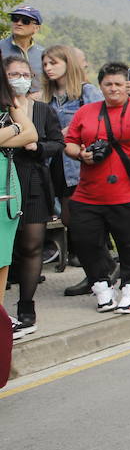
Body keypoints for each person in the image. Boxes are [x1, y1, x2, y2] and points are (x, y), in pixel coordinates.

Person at [62, 63, 130, 315]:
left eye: (119, 83)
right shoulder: (87, 111)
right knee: (86, 241)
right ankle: (101, 286)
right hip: (89, 192)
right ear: (101, 86)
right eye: (108, 84)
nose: (114, 88)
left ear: (128, 85)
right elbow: (70, 142)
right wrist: (80, 154)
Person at [4, 56, 63, 340]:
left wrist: (36, 146)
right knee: (6, 249)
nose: (19, 78)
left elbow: (57, 143)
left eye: (24, 73)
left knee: (31, 245)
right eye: (13, 73)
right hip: (4, 181)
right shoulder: (3, 108)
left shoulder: (42, 110)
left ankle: (27, 307)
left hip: (33, 180)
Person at [41, 45, 103, 291]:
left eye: (53, 63)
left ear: (68, 63)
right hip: (54, 166)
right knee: (71, 220)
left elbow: (101, 125)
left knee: (79, 221)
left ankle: (98, 272)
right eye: (45, 64)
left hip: (79, 165)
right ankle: (101, 270)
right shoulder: (46, 97)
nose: (48, 68)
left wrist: (68, 133)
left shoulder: (86, 93)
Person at [0, 71, 41, 332]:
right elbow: (22, 134)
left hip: (5, 179)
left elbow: (31, 134)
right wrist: (14, 130)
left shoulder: (9, 101)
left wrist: (11, 129)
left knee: (3, 254)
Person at [1, 5, 45, 82]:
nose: (19, 23)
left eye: (25, 21)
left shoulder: (43, 54)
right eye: (15, 19)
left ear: (37, 28)